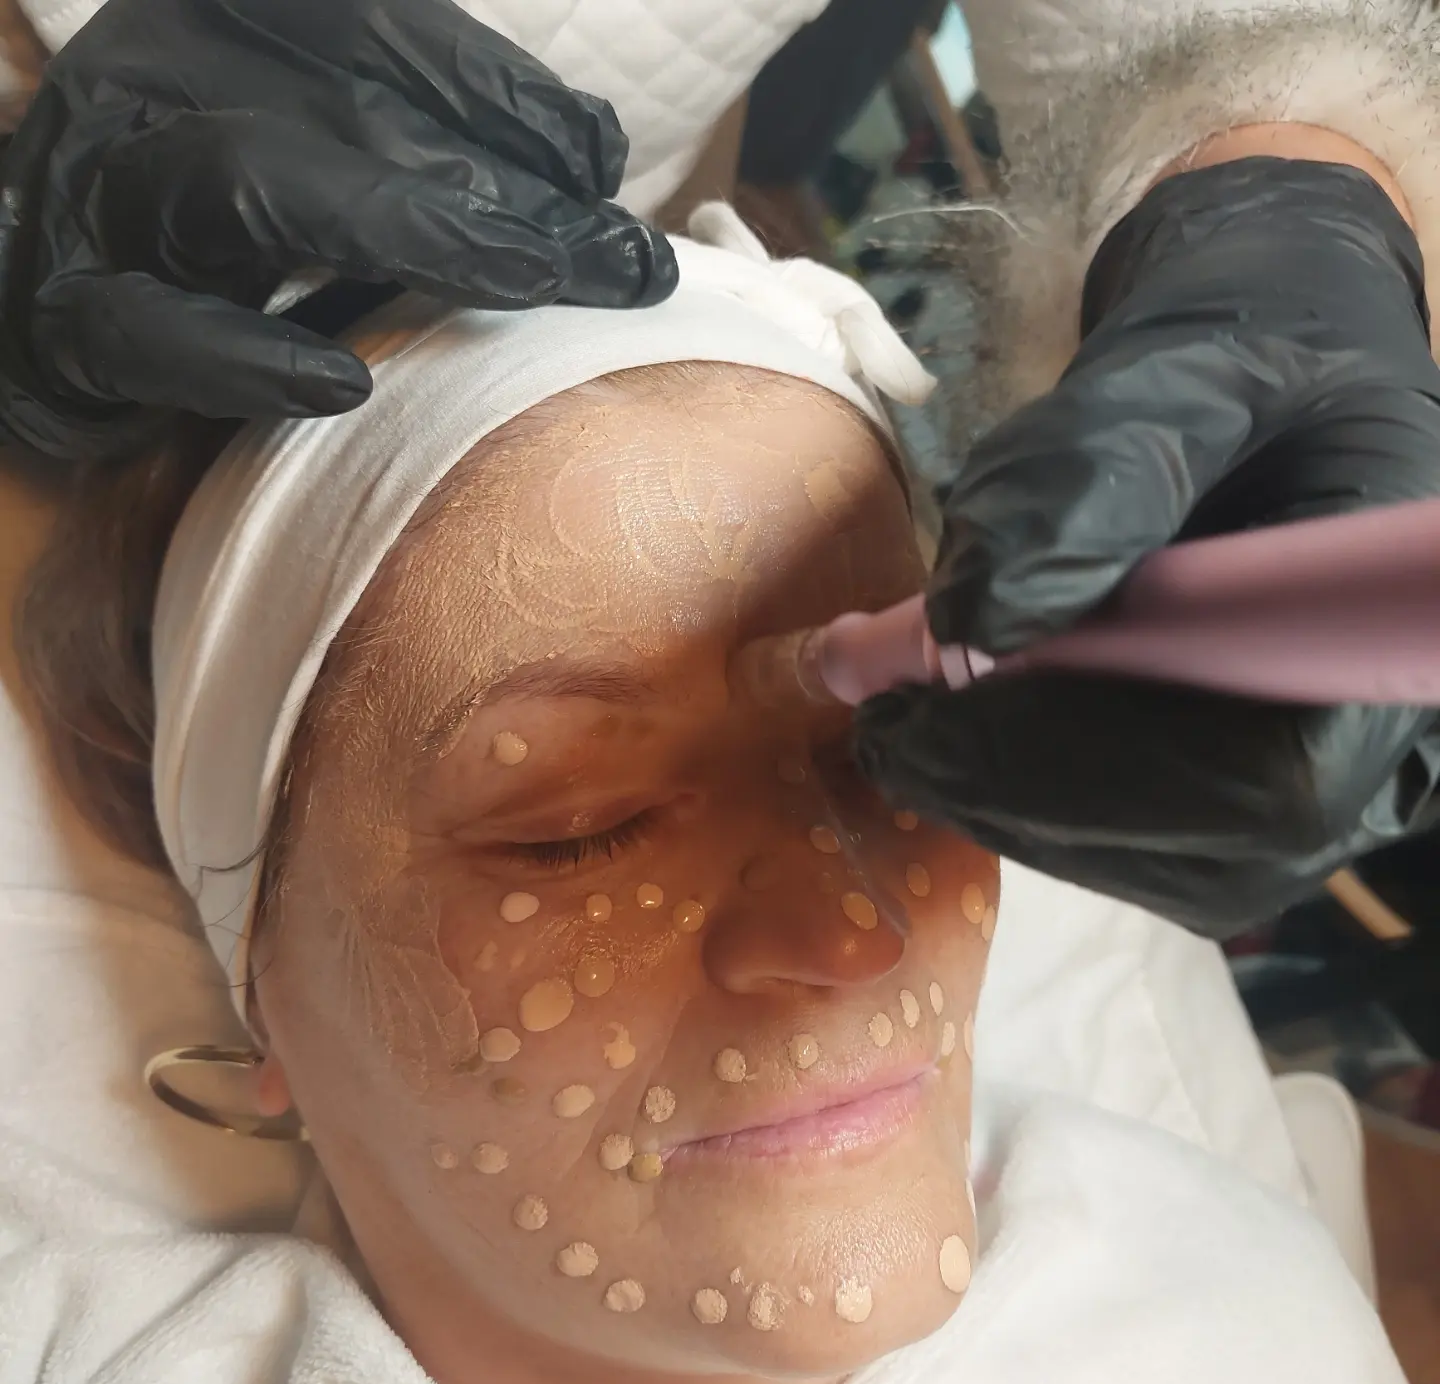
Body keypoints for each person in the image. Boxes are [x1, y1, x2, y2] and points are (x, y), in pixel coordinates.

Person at [0, 205, 1426, 1384]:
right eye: (582, 827)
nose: (850, 936)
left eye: (887, 755)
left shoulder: (1240, 1315)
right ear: (264, 981)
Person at [1, 0, 1438, 941]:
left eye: (873, 780)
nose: (845, 944)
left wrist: (1276, 185)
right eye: (577, 834)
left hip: (562, 262)